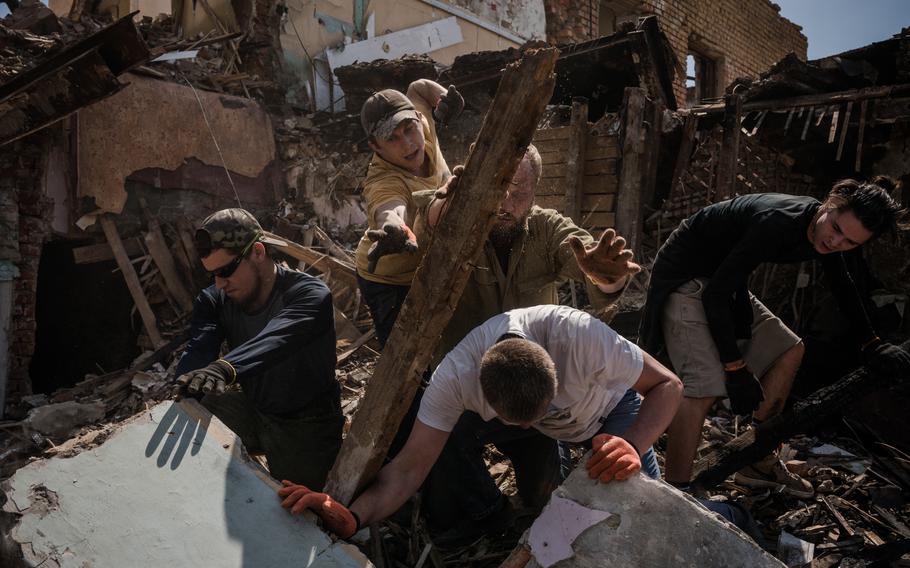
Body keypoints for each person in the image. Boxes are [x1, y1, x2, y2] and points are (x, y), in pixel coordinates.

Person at [276, 305, 683, 540]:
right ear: (482, 395)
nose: (525, 427)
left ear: (555, 371)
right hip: (563, 429)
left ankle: (717, 517)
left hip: (614, 415)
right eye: (515, 422)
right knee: (576, 525)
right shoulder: (454, 378)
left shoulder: (576, 335)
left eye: (538, 413)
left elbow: (668, 385)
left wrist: (631, 443)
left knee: (645, 511)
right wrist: (355, 515)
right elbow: (408, 469)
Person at [638, 178, 910, 496]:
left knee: (790, 348)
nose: (836, 242)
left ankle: (758, 461)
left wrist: (871, 343)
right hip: (686, 276)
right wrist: (735, 368)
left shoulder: (831, 237)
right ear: (828, 204)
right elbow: (714, 296)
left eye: (850, 242)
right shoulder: (776, 221)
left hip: (724, 283)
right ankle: (675, 491)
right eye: (835, 229)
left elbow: (844, 286)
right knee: (703, 386)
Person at [420, 144, 639, 363]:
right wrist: (452, 205)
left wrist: (607, 278)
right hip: (462, 376)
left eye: (519, 194)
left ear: (534, 192)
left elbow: (583, 253)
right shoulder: (454, 215)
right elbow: (426, 220)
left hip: (534, 376)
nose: (506, 205)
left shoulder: (546, 228)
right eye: (498, 191)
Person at [174, 208, 343, 489]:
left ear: (258, 252)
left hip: (306, 423)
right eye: (212, 274)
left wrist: (226, 367)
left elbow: (276, 338)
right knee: (192, 412)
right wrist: (185, 387)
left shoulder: (310, 295)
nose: (219, 283)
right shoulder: (215, 299)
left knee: (300, 515)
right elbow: (200, 348)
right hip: (253, 409)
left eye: (226, 270)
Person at [354, 80, 464, 347]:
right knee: (403, 354)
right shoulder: (382, 180)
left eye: (408, 129)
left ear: (418, 118)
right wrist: (394, 228)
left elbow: (417, 88)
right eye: (391, 138)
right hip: (387, 279)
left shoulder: (424, 123)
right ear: (375, 146)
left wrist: (442, 98)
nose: (407, 144)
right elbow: (389, 209)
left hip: (427, 264)